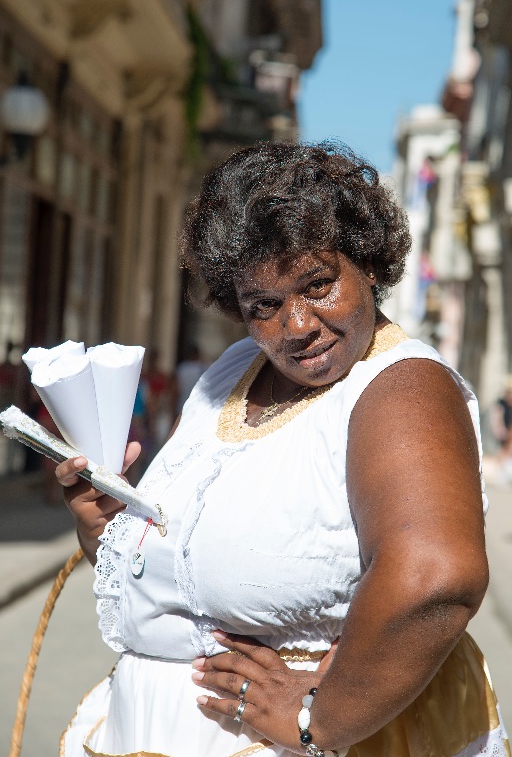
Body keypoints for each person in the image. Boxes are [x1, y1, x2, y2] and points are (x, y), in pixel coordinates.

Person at [55, 142, 508, 757]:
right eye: (264, 307)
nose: (297, 325)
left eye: (318, 285)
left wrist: (320, 718)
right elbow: (186, 572)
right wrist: (107, 529)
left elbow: (436, 577)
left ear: (368, 265)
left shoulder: (401, 387)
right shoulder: (234, 369)